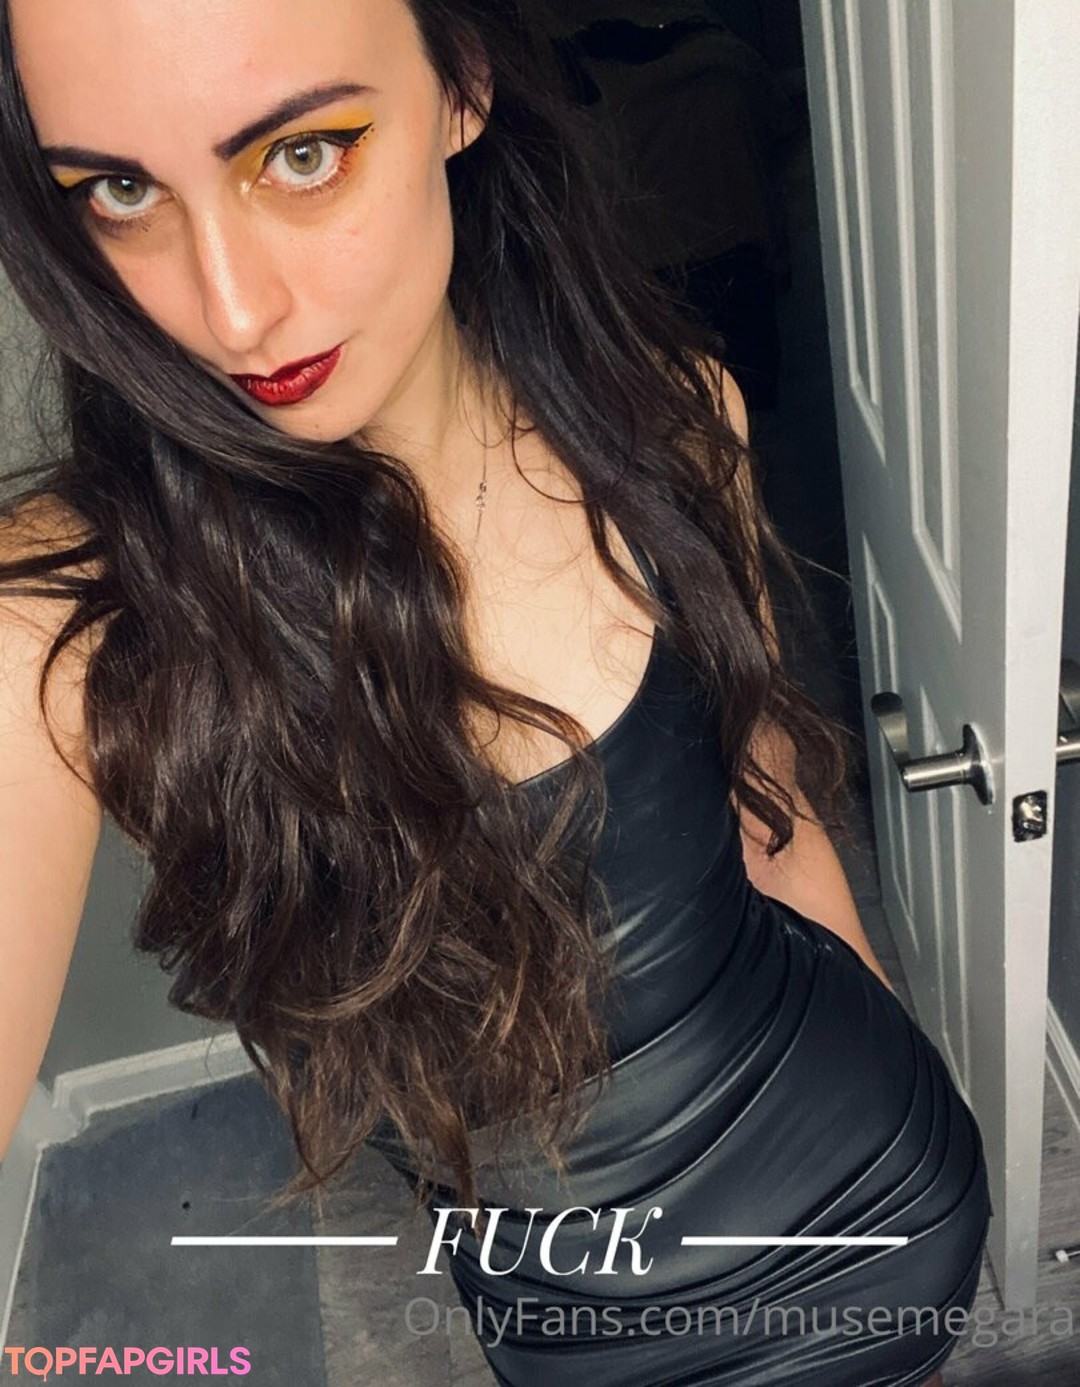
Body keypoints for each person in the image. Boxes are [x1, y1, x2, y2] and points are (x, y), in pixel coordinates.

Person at [0, 1, 989, 1384]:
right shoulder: (61, 619)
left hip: (888, 1197)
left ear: (462, 84)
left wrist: (889, 1043)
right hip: (590, 1339)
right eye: (119, 191)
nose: (228, 309)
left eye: (303, 153)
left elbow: (773, 823)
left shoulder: (672, 419)